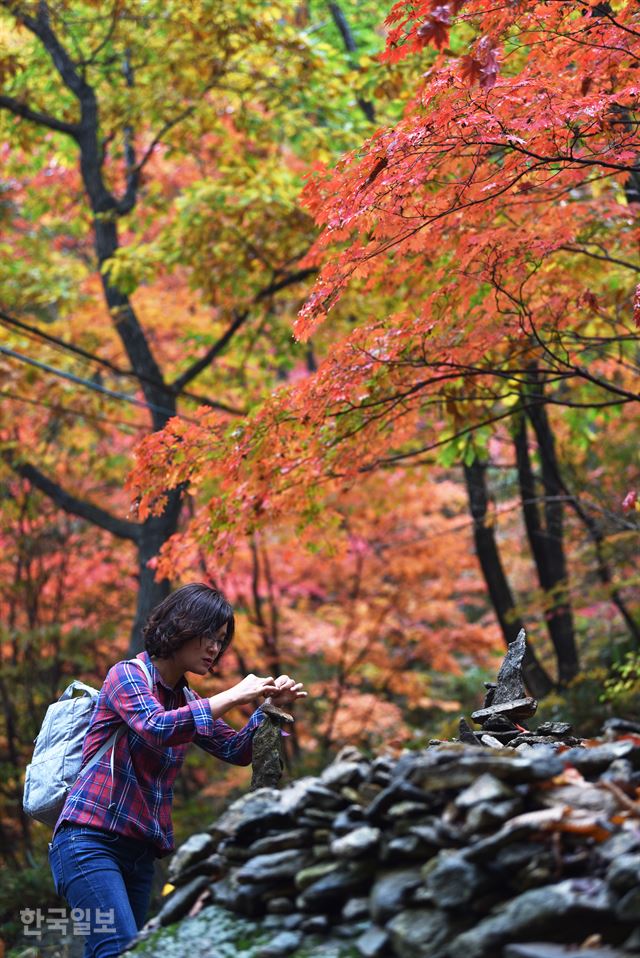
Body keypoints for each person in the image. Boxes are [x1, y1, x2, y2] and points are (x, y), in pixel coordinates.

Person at [47, 582, 306, 957]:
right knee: (115, 950)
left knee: (124, 951)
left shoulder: (187, 699)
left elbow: (235, 750)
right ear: (180, 626)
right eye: (208, 637)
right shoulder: (127, 676)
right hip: (87, 842)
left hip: (139, 855)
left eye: (221, 640)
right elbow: (157, 726)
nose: (216, 649)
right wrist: (233, 694)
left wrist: (268, 708)